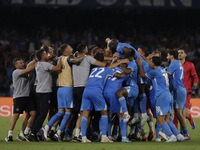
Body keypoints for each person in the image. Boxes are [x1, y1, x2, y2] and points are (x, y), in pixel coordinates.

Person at [80, 52, 129, 143]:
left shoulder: (93, 69)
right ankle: (104, 137)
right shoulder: (106, 70)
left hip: (86, 91)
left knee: (85, 114)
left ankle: (83, 137)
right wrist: (127, 72)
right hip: (96, 91)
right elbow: (118, 75)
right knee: (104, 112)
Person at [43, 44, 86, 141]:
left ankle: (46, 128)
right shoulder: (68, 58)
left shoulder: (59, 59)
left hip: (60, 89)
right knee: (67, 113)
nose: (72, 48)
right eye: (70, 47)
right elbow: (76, 60)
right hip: (68, 88)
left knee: (60, 112)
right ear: (66, 50)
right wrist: (84, 56)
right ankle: (59, 132)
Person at [137, 56, 184, 142]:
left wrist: (140, 65)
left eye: (151, 61)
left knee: (159, 118)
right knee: (166, 119)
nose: (149, 62)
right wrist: (145, 57)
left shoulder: (154, 72)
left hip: (161, 96)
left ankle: (171, 136)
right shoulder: (162, 69)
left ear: (154, 63)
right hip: (168, 95)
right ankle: (179, 135)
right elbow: (152, 63)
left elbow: (142, 75)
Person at [28, 49, 62, 142]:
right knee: (43, 114)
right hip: (45, 92)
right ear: (42, 56)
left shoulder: (38, 64)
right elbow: (58, 68)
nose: (48, 54)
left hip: (38, 91)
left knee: (39, 113)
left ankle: (33, 132)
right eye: (45, 53)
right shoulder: (45, 64)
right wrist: (60, 59)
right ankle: (33, 133)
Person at [5, 58, 36, 142]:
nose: (22, 63)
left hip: (27, 97)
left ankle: (25, 133)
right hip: (19, 97)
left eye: (23, 62)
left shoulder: (25, 72)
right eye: (20, 63)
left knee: (33, 114)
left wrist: (34, 61)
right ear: (16, 65)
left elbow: (29, 68)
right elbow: (29, 69)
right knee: (16, 116)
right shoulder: (16, 72)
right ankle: (9, 135)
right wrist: (36, 60)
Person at [166, 49, 190, 140]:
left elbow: (166, 75)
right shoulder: (177, 64)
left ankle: (186, 134)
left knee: (179, 113)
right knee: (178, 113)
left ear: (172, 56)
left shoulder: (174, 63)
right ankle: (182, 133)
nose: (166, 57)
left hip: (179, 90)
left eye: (168, 55)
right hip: (179, 90)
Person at [178, 49, 198, 129]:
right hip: (177, 92)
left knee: (185, 114)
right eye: (178, 53)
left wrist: (193, 88)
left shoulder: (190, 65)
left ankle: (189, 117)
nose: (179, 54)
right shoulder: (175, 65)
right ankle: (182, 132)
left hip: (186, 92)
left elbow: (195, 77)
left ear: (185, 55)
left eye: (181, 53)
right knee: (178, 113)